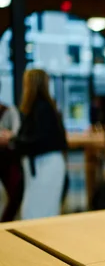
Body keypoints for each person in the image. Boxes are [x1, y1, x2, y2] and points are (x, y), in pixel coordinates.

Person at [3, 69, 68, 219]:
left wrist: (12, 140)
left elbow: (37, 140)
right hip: (42, 166)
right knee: (38, 211)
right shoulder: (44, 108)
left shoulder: (41, 108)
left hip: (44, 166)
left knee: (37, 213)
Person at [0, 79, 24, 222]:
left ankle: (5, 223)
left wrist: (8, 137)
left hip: (7, 159)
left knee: (15, 191)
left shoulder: (9, 111)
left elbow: (16, 133)